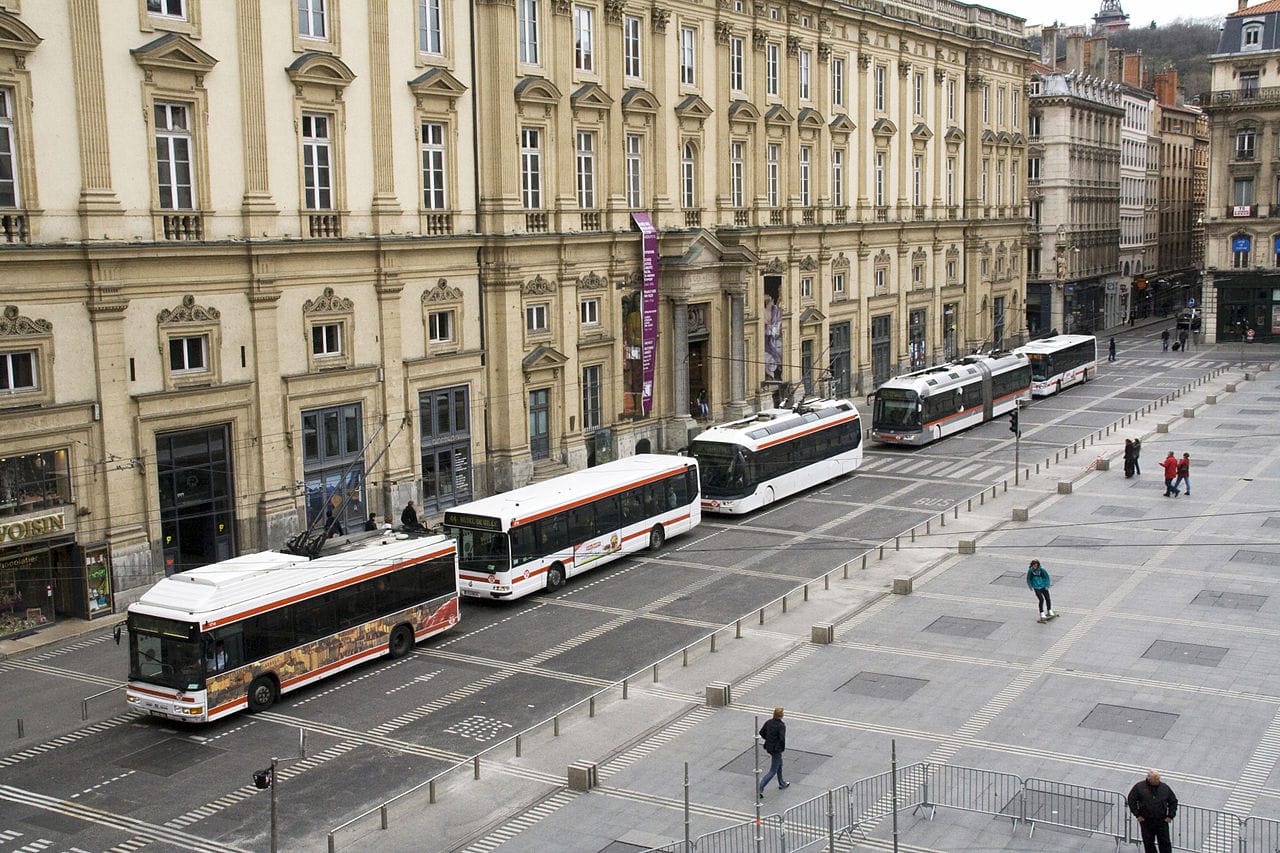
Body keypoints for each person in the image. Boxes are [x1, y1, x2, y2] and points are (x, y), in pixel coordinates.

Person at [1128, 769, 1177, 853]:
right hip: (1146, 821)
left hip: (1161, 820)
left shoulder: (1164, 787)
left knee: (1165, 842)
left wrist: (1170, 815)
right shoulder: (1139, 787)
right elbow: (1131, 800)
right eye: (1156, 779)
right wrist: (1137, 814)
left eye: (1158, 778)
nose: (1158, 781)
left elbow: (1173, 801)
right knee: (1148, 842)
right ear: (1150, 779)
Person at [757, 707, 790, 797]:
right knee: (773, 770)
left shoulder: (769, 722)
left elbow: (761, 732)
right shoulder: (781, 726)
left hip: (769, 747)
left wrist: (768, 740)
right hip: (776, 749)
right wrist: (781, 748)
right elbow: (782, 739)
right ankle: (760, 788)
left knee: (779, 764)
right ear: (781, 716)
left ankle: (782, 783)